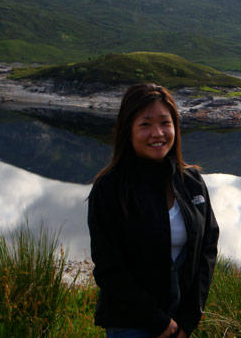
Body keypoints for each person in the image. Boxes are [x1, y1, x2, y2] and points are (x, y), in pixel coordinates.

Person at [87, 83, 219, 338]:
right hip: (130, 324)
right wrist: (157, 322)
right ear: (128, 130)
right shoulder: (109, 188)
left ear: (175, 127)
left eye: (165, 123)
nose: (157, 133)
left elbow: (208, 247)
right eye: (145, 124)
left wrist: (190, 316)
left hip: (180, 322)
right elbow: (108, 267)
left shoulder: (192, 182)